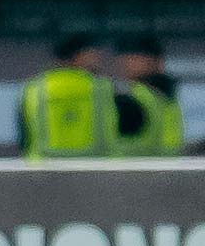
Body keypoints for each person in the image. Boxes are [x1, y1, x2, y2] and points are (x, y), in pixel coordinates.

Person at [17, 33, 114, 161]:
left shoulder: (34, 88)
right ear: (81, 55)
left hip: (43, 167)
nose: (98, 59)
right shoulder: (102, 87)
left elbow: (24, 136)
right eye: (93, 54)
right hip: (95, 166)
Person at [111, 34, 185, 156]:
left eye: (131, 58)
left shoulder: (136, 96)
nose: (122, 64)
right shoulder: (167, 96)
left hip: (132, 164)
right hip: (163, 163)